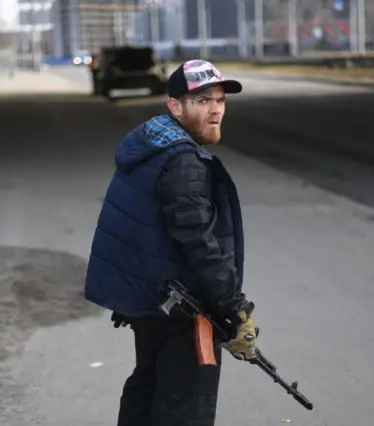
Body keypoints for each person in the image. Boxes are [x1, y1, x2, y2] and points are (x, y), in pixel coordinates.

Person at [83, 59, 259, 426]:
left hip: (152, 302)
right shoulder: (183, 162)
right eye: (203, 101)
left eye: (220, 100)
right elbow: (199, 241)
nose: (215, 110)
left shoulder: (153, 146)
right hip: (180, 308)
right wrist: (235, 309)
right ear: (176, 106)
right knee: (184, 405)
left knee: (148, 387)